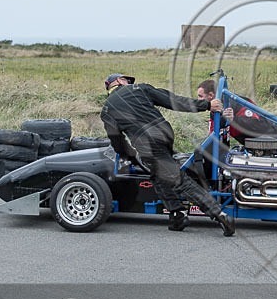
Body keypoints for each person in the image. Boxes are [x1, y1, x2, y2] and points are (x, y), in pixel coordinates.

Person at [100, 73, 235, 236]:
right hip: (164, 133)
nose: (129, 83)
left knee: (178, 179)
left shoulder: (107, 110)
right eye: (127, 80)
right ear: (120, 81)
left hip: (147, 143)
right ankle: (177, 215)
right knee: (157, 175)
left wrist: (129, 156)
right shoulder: (140, 88)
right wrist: (205, 105)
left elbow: (117, 141)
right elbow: (173, 100)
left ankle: (218, 214)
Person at [196, 79, 277, 145]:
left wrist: (234, 119)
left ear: (211, 95)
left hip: (269, 140)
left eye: (200, 96)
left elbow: (258, 125)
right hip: (250, 143)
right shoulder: (214, 110)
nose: (198, 100)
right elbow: (214, 135)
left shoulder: (237, 104)